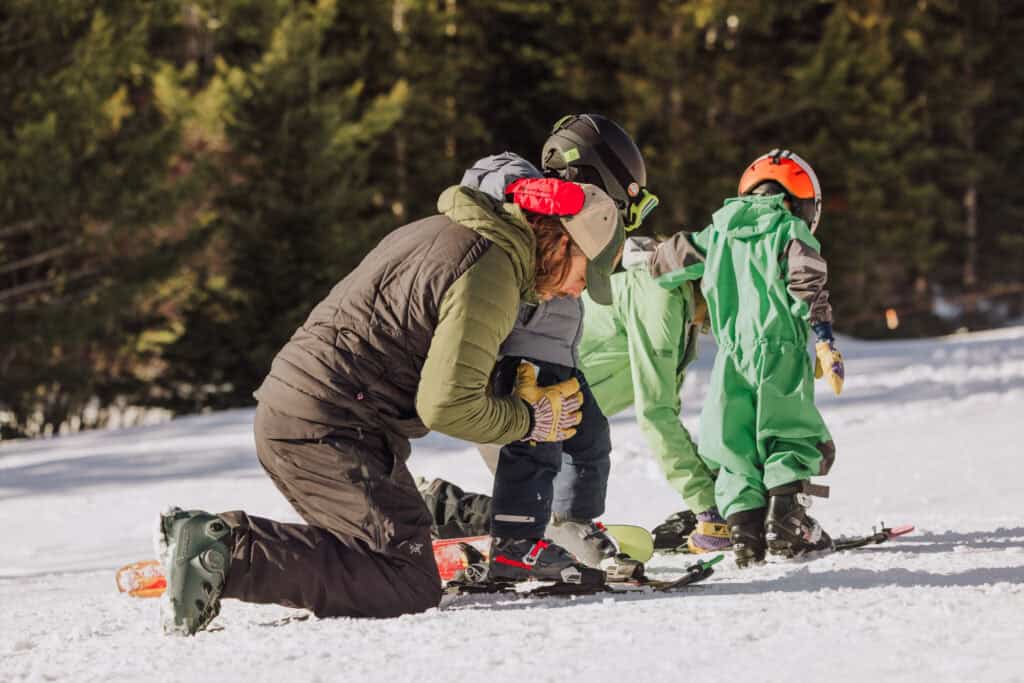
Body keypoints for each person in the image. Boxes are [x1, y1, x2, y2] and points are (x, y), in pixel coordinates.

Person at [155, 176, 625, 635]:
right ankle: (227, 552)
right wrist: (531, 421)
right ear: (561, 243)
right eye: (584, 275)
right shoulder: (491, 271)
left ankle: (223, 548)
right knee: (406, 581)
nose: (576, 291)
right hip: (330, 425)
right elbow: (447, 406)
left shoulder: (452, 231)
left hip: (308, 412)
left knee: (381, 553)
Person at [428, 114, 662, 574]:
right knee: (536, 445)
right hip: (518, 355)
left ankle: (573, 522)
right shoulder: (530, 191)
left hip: (560, 358)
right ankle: (517, 540)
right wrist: (526, 189)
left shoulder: (589, 222)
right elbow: (484, 177)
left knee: (592, 440)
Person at [421, 235, 731, 555]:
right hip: (521, 404)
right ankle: (434, 508)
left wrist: (716, 490)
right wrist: (707, 506)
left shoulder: (683, 319)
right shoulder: (660, 298)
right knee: (535, 522)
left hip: (560, 418)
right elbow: (656, 414)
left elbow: (668, 412)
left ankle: (462, 513)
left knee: (551, 519)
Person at [647, 148, 844, 567]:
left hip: (730, 357)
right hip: (780, 350)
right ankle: (787, 524)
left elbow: (667, 262)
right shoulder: (790, 230)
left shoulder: (717, 231)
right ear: (802, 200)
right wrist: (824, 339)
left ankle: (745, 531)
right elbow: (807, 282)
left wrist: (641, 257)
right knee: (787, 430)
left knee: (731, 441)